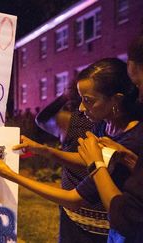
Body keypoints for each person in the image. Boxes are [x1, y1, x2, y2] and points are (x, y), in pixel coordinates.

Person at [0, 58, 143, 238]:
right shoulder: (105, 124)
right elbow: (86, 159)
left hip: (106, 230)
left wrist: (9, 174)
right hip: (81, 223)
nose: (81, 108)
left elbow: (73, 198)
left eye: (88, 100)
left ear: (115, 100)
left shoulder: (133, 140)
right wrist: (43, 150)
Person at [76, 35, 143, 242]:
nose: (139, 96)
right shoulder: (101, 126)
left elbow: (127, 216)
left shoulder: (134, 136)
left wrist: (96, 164)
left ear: (115, 100)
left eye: (139, 84)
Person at [36, 85, 102, 242]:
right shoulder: (114, 125)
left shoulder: (70, 121)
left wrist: (63, 96)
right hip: (107, 210)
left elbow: (42, 119)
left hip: (75, 210)